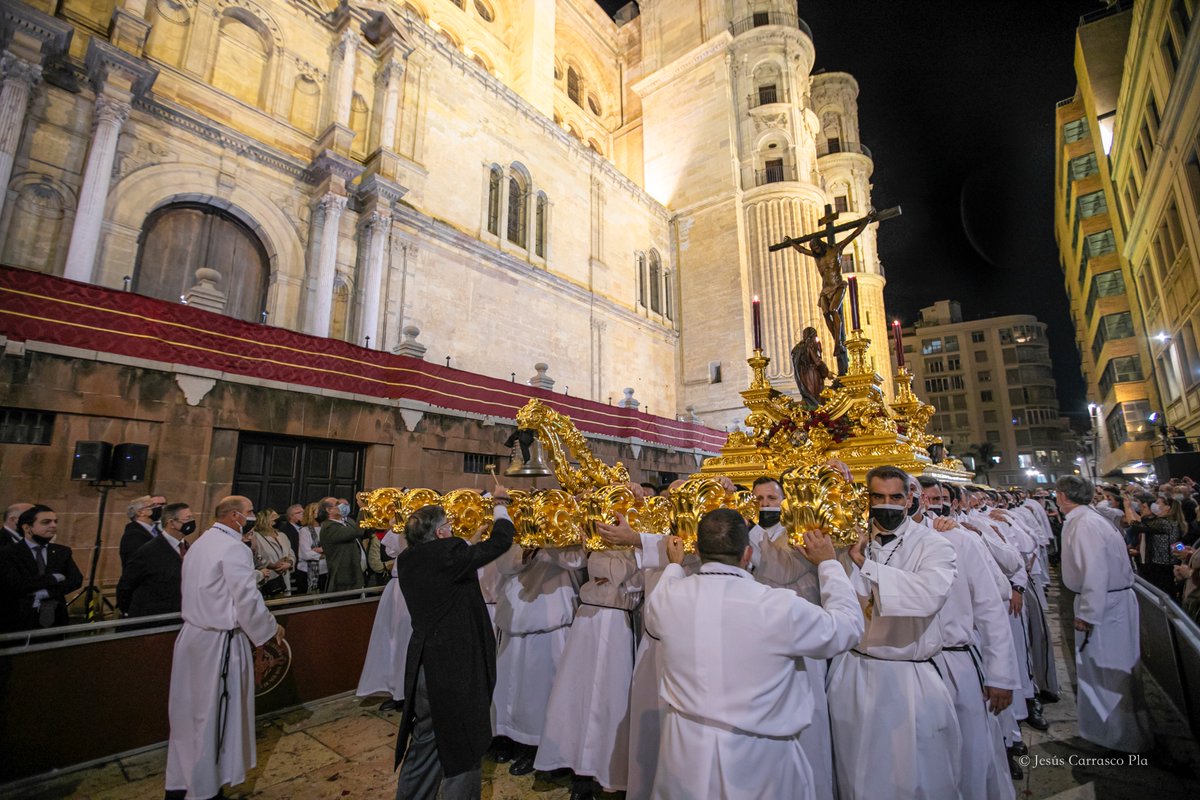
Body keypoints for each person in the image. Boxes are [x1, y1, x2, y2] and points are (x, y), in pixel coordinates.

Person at [645, 509, 862, 800]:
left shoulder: (668, 597)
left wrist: (674, 565)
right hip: (758, 759)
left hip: (684, 749)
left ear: (696, 549)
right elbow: (846, 628)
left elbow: (657, 608)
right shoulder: (777, 605)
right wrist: (829, 564)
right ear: (747, 554)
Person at [826, 465, 961, 799]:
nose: (886, 503)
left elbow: (927, 595)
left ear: (909, 499)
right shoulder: (848, 538)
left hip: (907, 677)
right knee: (853, 769)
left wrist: (865, 566)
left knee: (911, 774)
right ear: (866, 498)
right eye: (878, 496)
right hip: (853, 671)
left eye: (895, 497)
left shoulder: (935, 544)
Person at [393, 489, 515, 800]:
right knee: (464, 741)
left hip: (424, 665)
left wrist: (468, 544)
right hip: (453, 669)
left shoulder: (408, 559)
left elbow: (446, 567)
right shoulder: (449, 555)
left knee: (426, 740)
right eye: (448, 526)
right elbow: (502, 542)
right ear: (441, 532)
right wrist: (500, 508)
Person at [164, 495, 284, 800]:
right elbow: (245, 598)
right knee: (214, 714)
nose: (253, 516)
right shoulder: (232, 547)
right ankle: (205, 789)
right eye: (250, 512)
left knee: (190, 716)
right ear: (234, 516)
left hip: (193, 636)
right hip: (219, 642)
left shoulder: (203, 542)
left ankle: (182, 783)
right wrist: (270, 628)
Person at [919, 479, 1018, 800]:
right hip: (911, 670)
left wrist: (1001, 675)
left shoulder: (959, 538)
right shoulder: (877, 544)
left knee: (972, 752)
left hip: (957, 660)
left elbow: (993, 606)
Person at [532, 546, 642, 798]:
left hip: (621, 623)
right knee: (576, 696)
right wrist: (621, 568)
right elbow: (582, 563)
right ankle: (577, 768)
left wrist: (616, 567)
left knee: (611, 702)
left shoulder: (643, 533)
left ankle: (607, 771)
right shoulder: (597, 531)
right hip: (589, 618)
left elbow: (630, 575)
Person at [1057, 475, 1154, 753]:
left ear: (1063, 496)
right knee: (1107, 669)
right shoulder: (1087, 519)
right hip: (1110, 602)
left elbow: (1095, 570)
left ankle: (1118, 738)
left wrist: (1088, 612)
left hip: (1104, 605)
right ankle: (1112, 733)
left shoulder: (1085, 524)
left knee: (1107, 670)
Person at [491, 525, 585, 775]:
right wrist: (528, 548)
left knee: (543, 692)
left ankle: (540, 747)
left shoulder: (567, 530)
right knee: (510, 690)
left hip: (551, 622)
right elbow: (504, 565)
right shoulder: (518, 531)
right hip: (516, 619)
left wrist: (550, 540)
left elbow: (577, 561)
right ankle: (509, 738)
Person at [0, 505, 83, 631]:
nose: (53, 525)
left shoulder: (62, 552)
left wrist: (47, 593)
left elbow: (75, 580)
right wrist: (53, 578)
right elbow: (15, 584)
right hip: (19, 618)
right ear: (27, 527)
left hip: (55, 616)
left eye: (55, 521)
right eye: (46, 522)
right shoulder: (9, 553)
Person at [357, 527, 411, 712]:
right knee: (390, 640)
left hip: (410, 586)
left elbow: (407, 551)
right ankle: (396, 690)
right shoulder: (402, 526)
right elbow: (389, 551)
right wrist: (397, 526)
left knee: (405, 640)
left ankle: (407, 693)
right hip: (396, 587)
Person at [116, 502, 195, 617]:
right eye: (187, 518)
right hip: (154, 617)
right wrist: (128, 612)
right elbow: (127, 584)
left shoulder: (187, 547)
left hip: (180, 614)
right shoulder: (148, 551)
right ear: (172, 523)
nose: (191, 522)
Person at [320, 497, 367, 593]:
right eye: (337, 504)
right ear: (329, 510)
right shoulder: (329, 527)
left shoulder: (347, 523)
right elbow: (357, 531)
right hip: (343, 579)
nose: (342, 505)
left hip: (355, 575)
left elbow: (363, 530)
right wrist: (363, 509)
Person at [252, 509, 295, 597]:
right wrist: (273, 565)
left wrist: (289, 563)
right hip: (268, 579)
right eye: (274, 517)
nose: (278, 518)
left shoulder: (282, 535)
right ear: (265, 519)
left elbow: (291, 553)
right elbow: (256, 557)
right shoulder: (256, 536)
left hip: (284, 578)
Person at [120, 494, 166, 569]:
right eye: (152, 506)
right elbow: (137, 563)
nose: (158, 508)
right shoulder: (133, 535)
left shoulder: (156, 530)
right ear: (140, 512)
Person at [297, 502, 328, 593]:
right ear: (312, 513)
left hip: (325, 570)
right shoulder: (304, 531)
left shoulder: (326, 529)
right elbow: (306, 553)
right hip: (307, 572)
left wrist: (322, 550)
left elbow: (332, 547)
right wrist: (324, 554)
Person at [276, 504, 306, 592]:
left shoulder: (307, 528)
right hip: (294, 567)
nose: (302, 514)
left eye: (303, 512)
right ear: (290, 516)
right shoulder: (284, 530)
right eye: (299, 512)